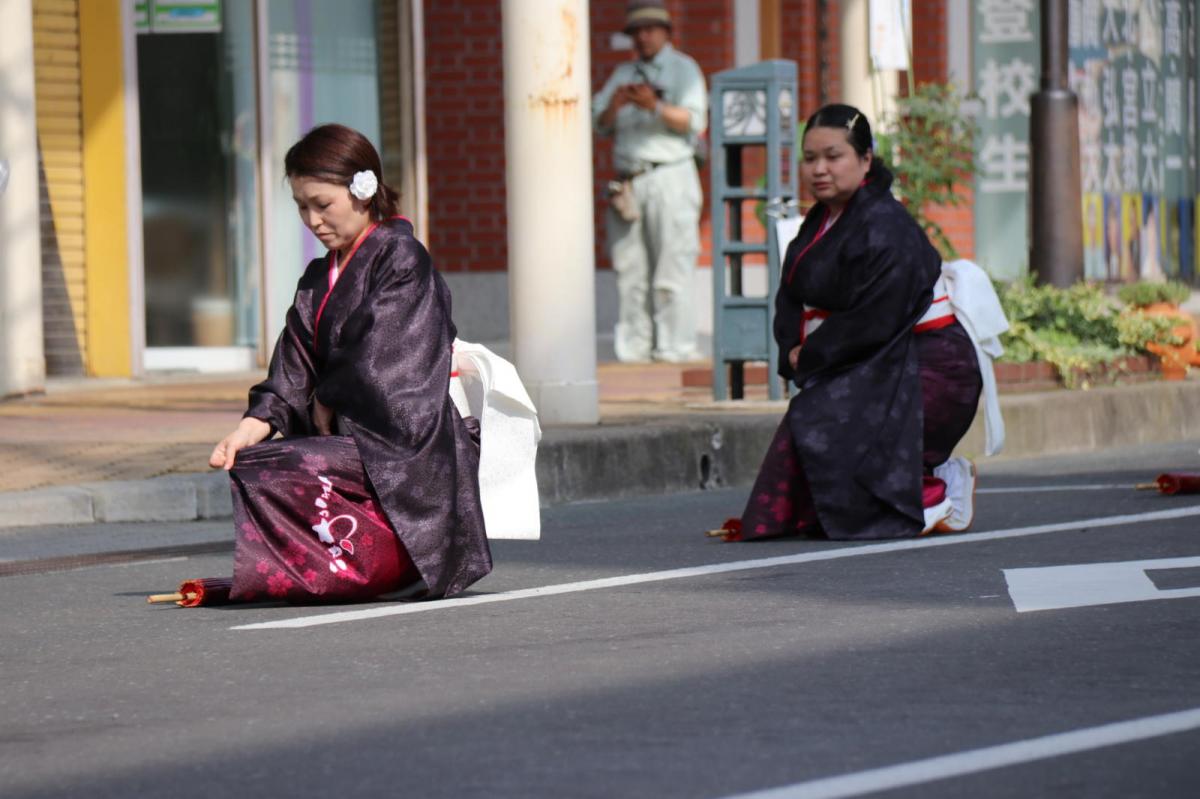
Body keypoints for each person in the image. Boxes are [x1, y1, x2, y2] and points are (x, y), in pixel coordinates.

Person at [208, 123, 491, 602]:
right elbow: (292, 365)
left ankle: (375, 560)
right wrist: (249, 428)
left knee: (281, 468)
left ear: (364, 191)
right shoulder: (319, 276)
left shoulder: (403, 258)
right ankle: (354, 561)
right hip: (354, 439)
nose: (313, 219)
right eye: (302, 206)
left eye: (323, 204)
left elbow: (388, 365)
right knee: (255, 463)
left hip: (405, 445)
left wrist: (326, 397)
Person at [714, 104, 991, 542]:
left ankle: (934, 495)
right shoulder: (820, 221)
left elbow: (875, 317)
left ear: (865, 160)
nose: (819, 169)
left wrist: (815, 354)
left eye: (833, 156)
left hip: (930, 365)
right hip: (879, 354)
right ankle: (924, 478)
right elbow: (790, 294)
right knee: (816, 436)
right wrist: (791, 347)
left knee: (825, 418)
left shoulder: (887, 225)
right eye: (810, 158)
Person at [591, 0, 707, 363]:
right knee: (630, 272)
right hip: (629, 181)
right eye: (636, 32)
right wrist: (619, 102)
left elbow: (694, 121)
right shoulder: (623, 73)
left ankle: (675, 349)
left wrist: (652, 107)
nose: (642, 37)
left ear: (665, 32)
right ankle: (634, 352)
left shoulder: (684, 69)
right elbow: (599, 122)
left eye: (649, 29)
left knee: (672, 267)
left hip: (670, 175)